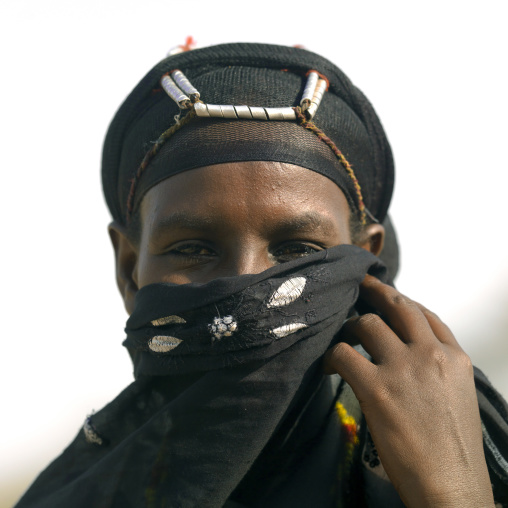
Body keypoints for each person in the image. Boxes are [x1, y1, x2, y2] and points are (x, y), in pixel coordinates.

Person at [16, 43, 508, 507]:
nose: (248, 288)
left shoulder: (456, 459)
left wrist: (452, 490)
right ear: (129, 269)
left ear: (365, 261)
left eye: (297, 250)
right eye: (192, 248)